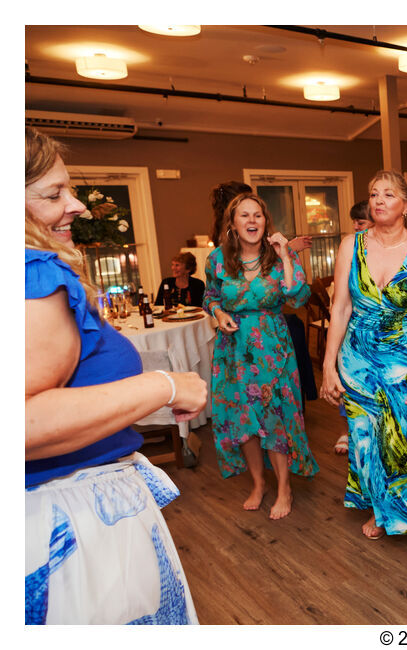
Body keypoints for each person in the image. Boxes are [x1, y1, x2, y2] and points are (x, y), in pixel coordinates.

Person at [25, 127, 206, 624]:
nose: (77, 204)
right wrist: (163, 385)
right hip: (69, 522)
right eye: (52, 193)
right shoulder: (33, 274)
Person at [320, 170, 407, 571]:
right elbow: (339, 308)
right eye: (373, 194)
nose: (378, 201)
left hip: (399, 360)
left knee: (403, 441)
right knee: (365, 439)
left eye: (388, 194)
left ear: (406, 205)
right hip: (355, 358)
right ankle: (382, 507)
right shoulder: (350, 245)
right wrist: (328, 363)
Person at [203, 193, 318, 520]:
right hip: (233, 351)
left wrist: (286, 254)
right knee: (245, 421)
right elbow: (209, 296)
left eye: (258, 215)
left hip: (273, 350)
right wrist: (216, 312)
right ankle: (258, 483)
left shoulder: (279, 257)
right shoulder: (217, 260)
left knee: (274, 418)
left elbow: (299, 296)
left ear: (266, 222)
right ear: (233, 223)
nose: (252, 221)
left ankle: (284, 487)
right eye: (244, 216)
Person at [333, 200, 373, 455]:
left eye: (361, 222)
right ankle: (350, 430)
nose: (356, 227)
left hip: (386, 342)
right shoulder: (349, 248)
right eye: (355, 222)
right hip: (353, 334)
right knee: (351, 393)